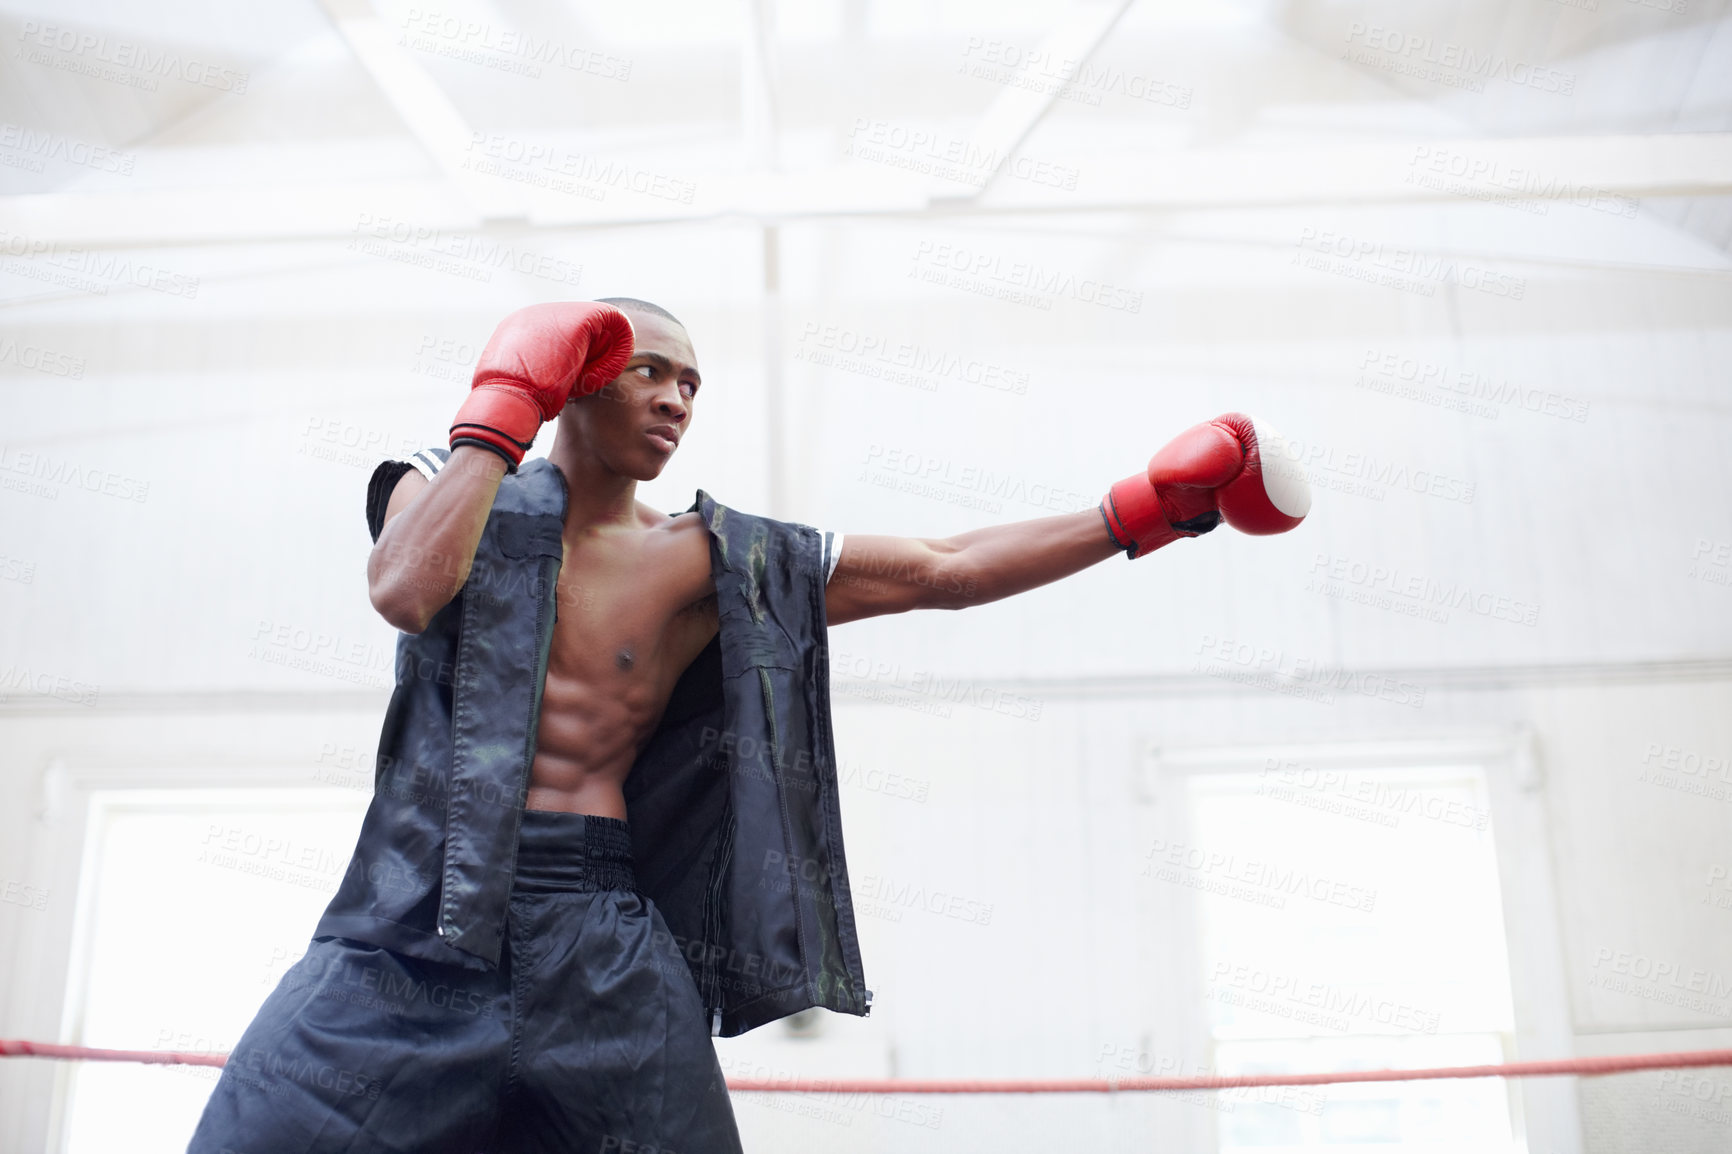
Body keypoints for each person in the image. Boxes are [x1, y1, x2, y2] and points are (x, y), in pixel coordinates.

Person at [187, 297, 1309, 1154]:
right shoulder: (447, 483)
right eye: (649, 372)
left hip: (599, 929)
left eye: (693, 384)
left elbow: (944, 570)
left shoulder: (711, 558)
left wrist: (1145, 512)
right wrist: (497, 407)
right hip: (412, 921)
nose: (677, 399)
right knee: (256, 1130)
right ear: (573, 379)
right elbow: (405, 589)